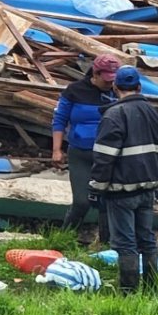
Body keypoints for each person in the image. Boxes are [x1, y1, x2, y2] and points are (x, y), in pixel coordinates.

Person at [89, 65, 158, 295]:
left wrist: (96, 187)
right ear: (139, 86)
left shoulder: (113, 115)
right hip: (148, 188)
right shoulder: (155, 113)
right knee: (147, 240)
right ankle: (152, 289)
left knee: (126, 244)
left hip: (121, 191)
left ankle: (128, 292)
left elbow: (103, 157)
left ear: (115, 87)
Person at [51, 54, 119, 245]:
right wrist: (57, 149)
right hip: (80, 153)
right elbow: (59, 120)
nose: (109, 84)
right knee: (82, 201)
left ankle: (107, 245)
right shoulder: (74, 91)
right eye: (106, 80)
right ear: (95, 74)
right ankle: (64, 238)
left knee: (107, 202)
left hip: (108, 155)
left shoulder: (117, 93)